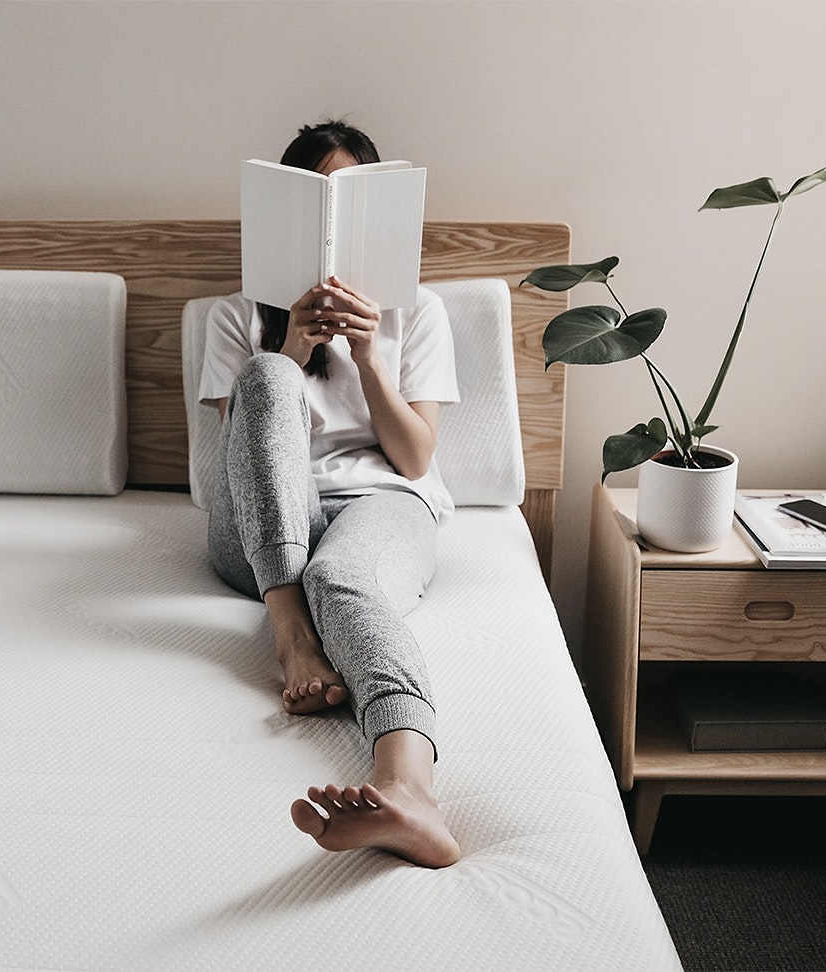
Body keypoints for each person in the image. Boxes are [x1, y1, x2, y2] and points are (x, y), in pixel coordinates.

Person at [198, 120, 461, 869]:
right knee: (267, 377)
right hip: (258, 528)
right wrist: (291, 351)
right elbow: (244, 456)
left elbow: (414, 460)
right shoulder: (234, 316)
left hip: (382, 504)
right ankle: (291, 633)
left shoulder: (421, 313)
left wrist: (369, 355)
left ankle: (410, 792)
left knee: (340, 574)